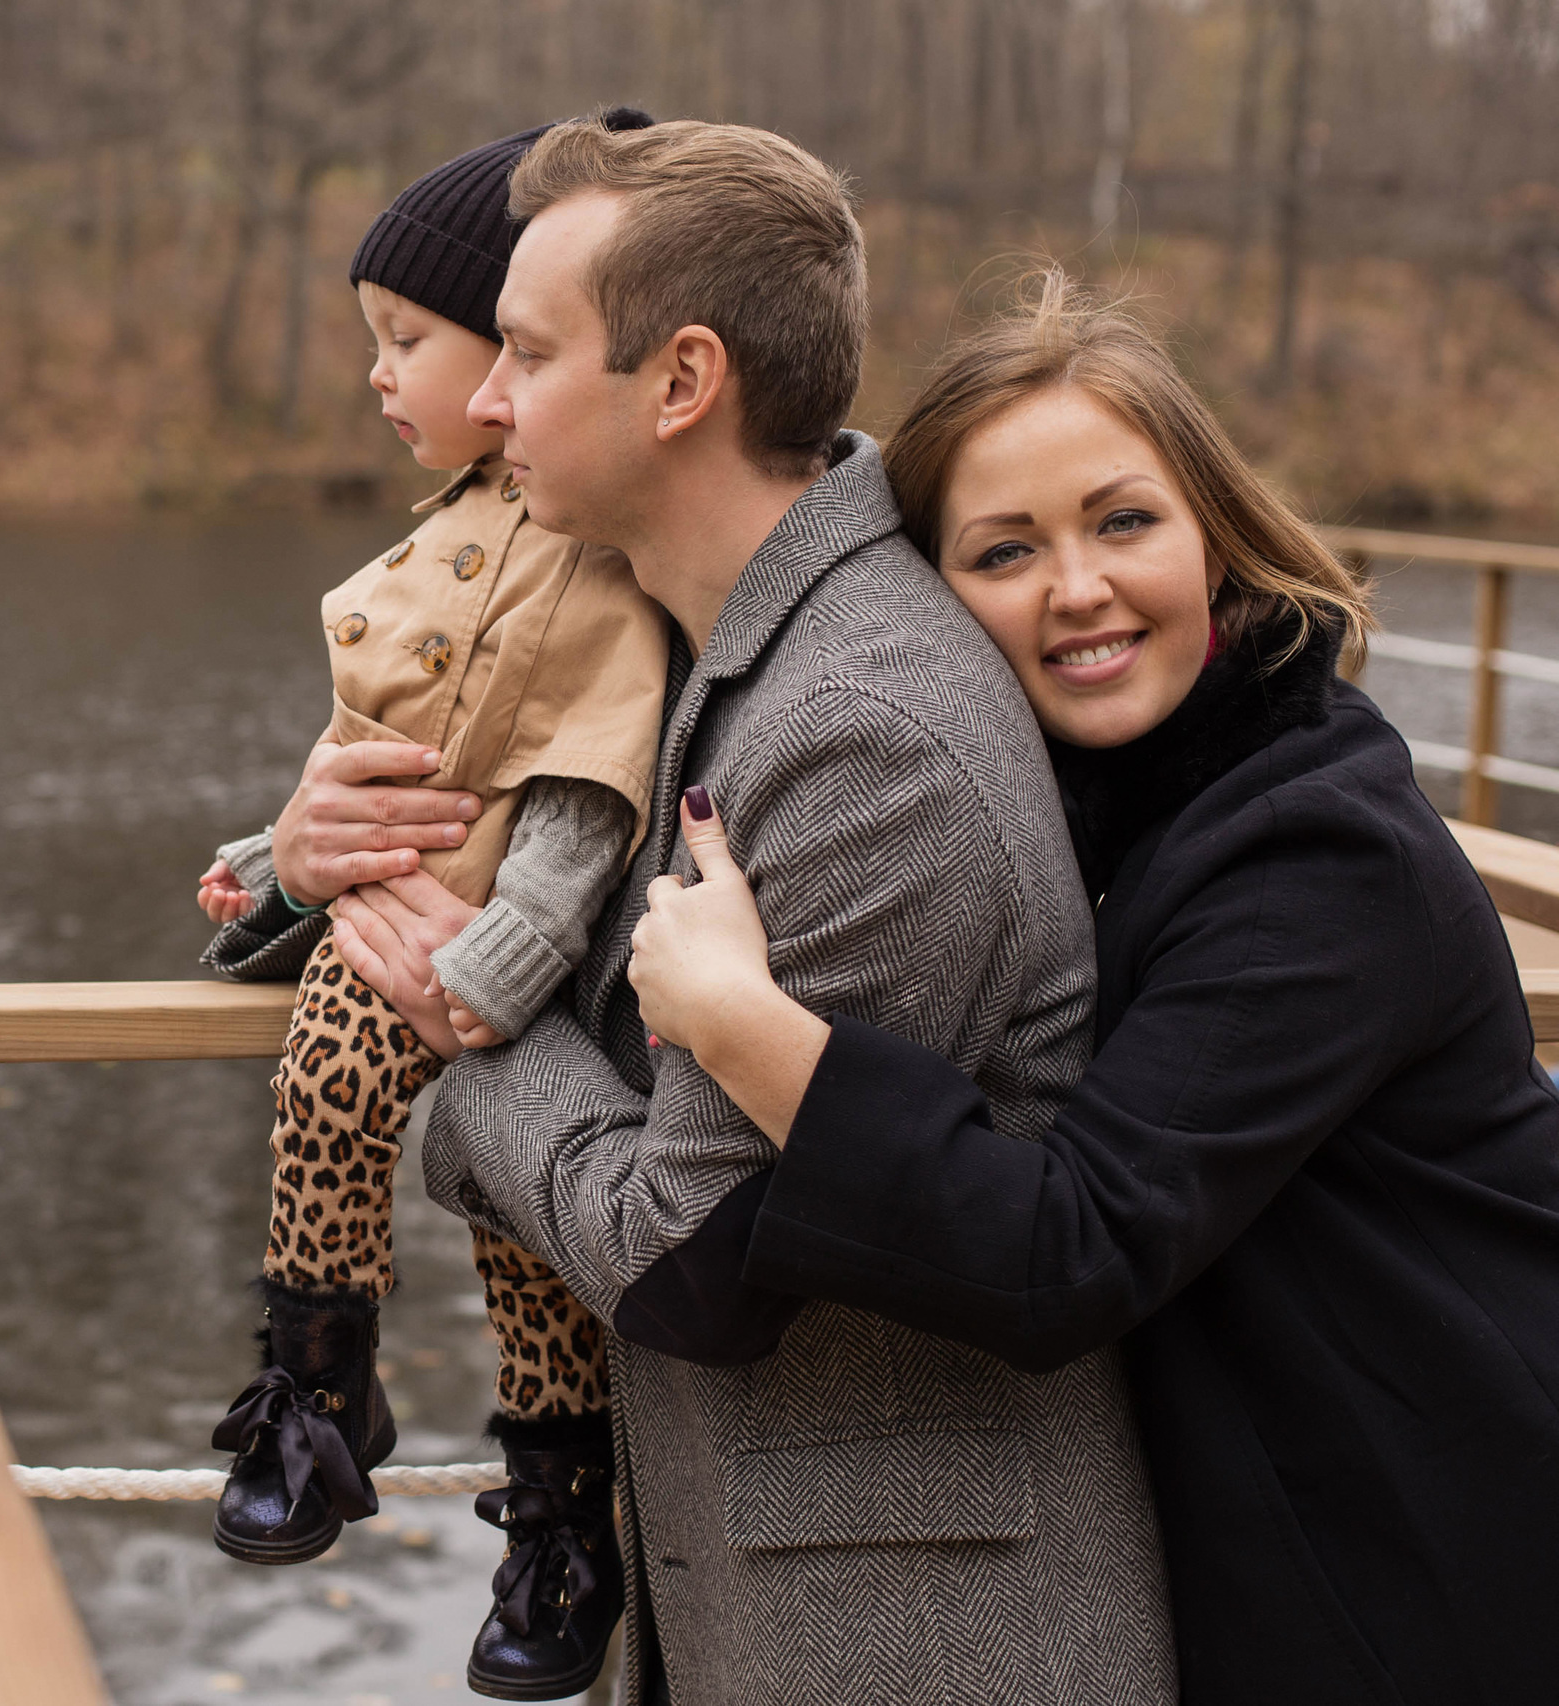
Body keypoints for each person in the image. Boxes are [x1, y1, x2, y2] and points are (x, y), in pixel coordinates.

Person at [291, 120, 1176, 1701]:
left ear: (682, 382)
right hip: (747, 1608)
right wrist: (300, 857)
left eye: (534, 352)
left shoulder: (864, 738)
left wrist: (465, 1037)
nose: (487, 398)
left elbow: (675, 1253)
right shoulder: (696, 646)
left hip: (920, 1644)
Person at [624, 271, 1559, 1705]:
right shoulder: (1089, 809)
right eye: (1005, 551)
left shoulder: (1317, 851)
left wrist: (748, 1027)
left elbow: (1070, 1245)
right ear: (933, 600)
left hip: (1437, 1548)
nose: (1079, 588)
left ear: (1216, 536)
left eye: (1126, 521)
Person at [195, 111, 670, 1701]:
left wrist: (516, 943)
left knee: (526, 1234)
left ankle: (556, 1508)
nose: (380, 377)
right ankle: (319, 1385)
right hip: (395, 933)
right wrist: (273, 868)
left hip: (501, 966)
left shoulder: (599, 546)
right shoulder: (445, 540)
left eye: (408, 339)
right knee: (325, 1092)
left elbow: (584, 771)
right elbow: (367, 753)